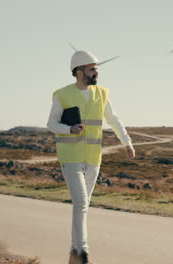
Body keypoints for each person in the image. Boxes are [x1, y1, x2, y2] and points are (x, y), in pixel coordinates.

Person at [47, 50, 135, 264]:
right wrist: (70, 130)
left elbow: (113, 119)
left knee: (83, 206)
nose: (96, 72)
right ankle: (83, 253)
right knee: (81, 202)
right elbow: (51, 124)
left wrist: (127, 142)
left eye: (96, 68)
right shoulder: (62, 94)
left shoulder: (102, 94)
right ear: (79, 72)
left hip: (93, 158)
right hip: (70, 157)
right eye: (92, 68)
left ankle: (74, 252)